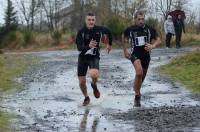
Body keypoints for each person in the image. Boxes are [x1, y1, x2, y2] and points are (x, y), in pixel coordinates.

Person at [122, 11, 161, 107]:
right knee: (139, 72)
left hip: (146, 56)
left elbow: (159, 40)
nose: (141, 21)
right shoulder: (131, 29)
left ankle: (136, 89)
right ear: (135, 19)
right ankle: (137, 95)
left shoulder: (149, 29)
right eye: (139, 19)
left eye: (142, 19)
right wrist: (125, 51)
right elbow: (124, 37)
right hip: (135, 54)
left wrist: (152, 46)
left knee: (141, 78)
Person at [76, 12, 112, 106]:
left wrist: (109, 44)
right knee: (82, 82)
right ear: (86, 20)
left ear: (95, 20)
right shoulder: (81, 32)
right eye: (89, 20)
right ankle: (86, 97)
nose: (91, 22)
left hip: (94, 56)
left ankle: (94, 85)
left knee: (94, 74)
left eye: (92, 20)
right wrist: (88, 46)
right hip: (83, 57)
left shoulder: (99, 29)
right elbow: (79, 48)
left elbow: (109, 32)